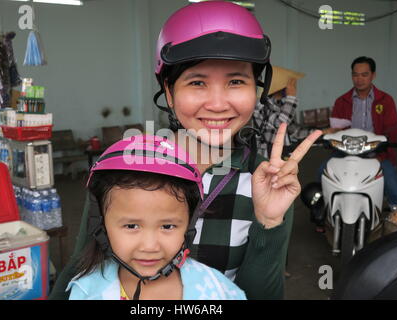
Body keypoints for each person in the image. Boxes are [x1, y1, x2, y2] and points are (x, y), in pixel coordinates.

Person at [50, 0, 322, 300]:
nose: (218, 104)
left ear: (255, 90)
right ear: (169, 91)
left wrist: (269, 224)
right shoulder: (124, 166)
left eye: (235, 81)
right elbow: (81, 266)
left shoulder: (267, 180)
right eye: (197, 82)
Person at [66, 134, 246, 300]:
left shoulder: (220, 292)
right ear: (101, 224)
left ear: (189, 224)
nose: (150, 246)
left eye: (167, 226)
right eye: (131, 226)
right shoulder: (85, 292)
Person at [328, 56, 397, 208]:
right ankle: (324, 212)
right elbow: (335, 130)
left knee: (394, 187)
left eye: (364, 74)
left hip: (378, 154)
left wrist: (381, 153)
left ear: (373, 75)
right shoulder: (341, 101)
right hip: (345, 153)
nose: (359, 79)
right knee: (322, 171)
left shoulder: (386, 100)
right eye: (355, 75)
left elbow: (392, 130)